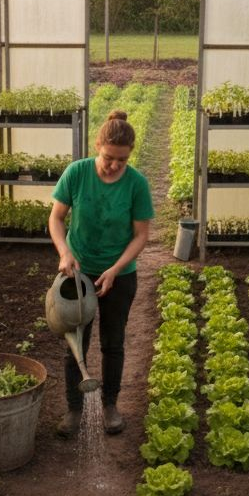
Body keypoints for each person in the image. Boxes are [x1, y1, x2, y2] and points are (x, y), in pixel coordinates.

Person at [49, 109, 154, 437]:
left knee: (114, 341)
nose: (113, 166)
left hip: (118, 276)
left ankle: (110, 405)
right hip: (78, 272)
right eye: (109, 158)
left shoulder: (137, 184)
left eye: (121, 161)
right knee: (76, 342)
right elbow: (56, 219)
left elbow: (141, 235)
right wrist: (65, 252)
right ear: (98, 146)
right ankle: (74, 410)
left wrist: (115, 269)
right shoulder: (77, 173)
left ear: (129, 157)